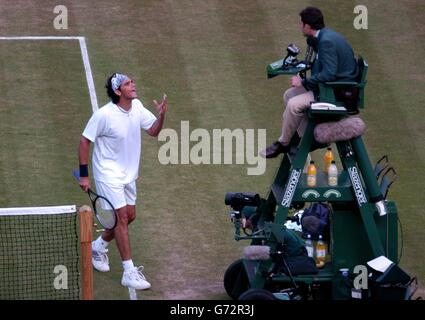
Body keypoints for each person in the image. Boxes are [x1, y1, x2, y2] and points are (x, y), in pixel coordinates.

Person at [78, 73, 167, 290]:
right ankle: (128, 272)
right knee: (121, 220)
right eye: (128, 84)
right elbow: (84, 141)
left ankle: (98, 247)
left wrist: (162, 115)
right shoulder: (103, 115)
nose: (133, 84)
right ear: (118, 91)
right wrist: (84, 174)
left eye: (132, 82)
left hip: (128, 174)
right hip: (107, 174)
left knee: (129, 216)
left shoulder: (136, 106)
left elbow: (153, 131)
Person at [261, 7, 358, 158]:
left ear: (308, 26)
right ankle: (309, 137)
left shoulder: (326, 42)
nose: (300, 26)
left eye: (301, 24)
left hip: (334, 93)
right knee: (289, 95)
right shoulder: (324, 37)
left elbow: (329, 74)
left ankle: (283, 144)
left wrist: (303, 82)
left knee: (294, 105)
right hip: (328, 87)